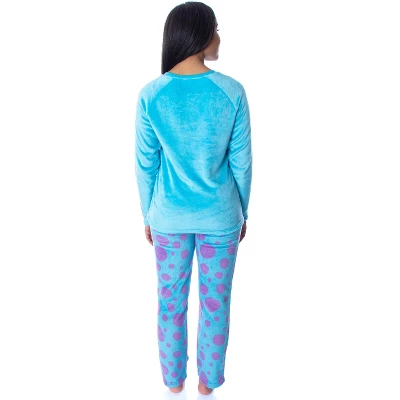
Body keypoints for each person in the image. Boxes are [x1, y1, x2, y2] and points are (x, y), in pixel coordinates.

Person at [134, 1, 252, 395]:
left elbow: (145, 165)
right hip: (221, 217)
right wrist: (242, 211)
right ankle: (208, 383)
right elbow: (242, 163)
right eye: (215, 29)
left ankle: (173, 382)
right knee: (216, 303)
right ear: (200, 35)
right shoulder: (231, 92)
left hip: (168, 218)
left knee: (170, 302)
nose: (219, 37)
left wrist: (148, 214)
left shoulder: (151, 95)